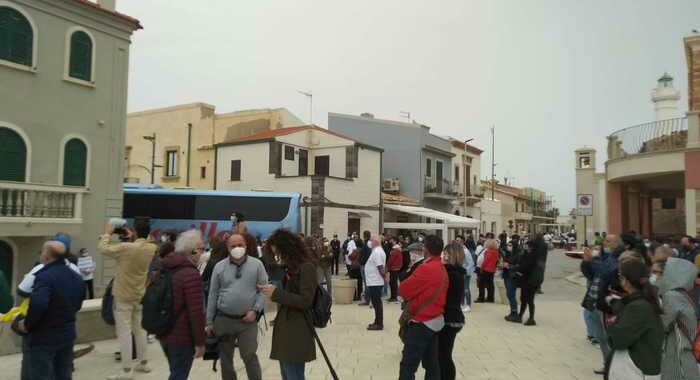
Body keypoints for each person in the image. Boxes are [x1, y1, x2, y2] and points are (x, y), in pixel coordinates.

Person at [16, 240, 84, 380]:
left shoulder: (44, 276)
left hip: (44, 337)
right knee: (63, 373)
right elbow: (78, 302)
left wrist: (27, 325)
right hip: (67, 334)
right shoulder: (76, 276)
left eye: (42, 252)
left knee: (41, 374)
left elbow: (39, 304)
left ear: (46, 257)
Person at [99, 219, 157, 380]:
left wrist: (107, 233)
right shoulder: (151, 248)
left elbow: (103, 248)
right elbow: (145, 241)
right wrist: (134, 236)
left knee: (124, 332)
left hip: (123, 296)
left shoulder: (126, 248)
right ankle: (143, 363)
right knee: (140, 329)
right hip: (139, 295)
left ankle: (126, 370)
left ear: (135, 232)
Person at [206, 233, 268, 380]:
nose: (237, 248)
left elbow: (263, 290)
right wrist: (209, 321)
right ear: (228, 248)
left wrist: (256, 310)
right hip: (224, 320)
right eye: (233, 246)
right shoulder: (219, 267)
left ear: (246, 246)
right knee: (226, 359)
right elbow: (212, 294)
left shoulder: (257, 265)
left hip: (247, 322)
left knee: (249, 356)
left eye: (240, 245)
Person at [258, 229, 317, 380]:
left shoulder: (306, 267)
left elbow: (306, 300)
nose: (278, 257)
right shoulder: (290, 267)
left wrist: (276, 294)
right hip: (286, 326)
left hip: (298, 327)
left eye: (278, 253)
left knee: (293, 374)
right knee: (286, 372)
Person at [398, 235, 448, 380]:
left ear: (426, 249)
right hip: (436, 319)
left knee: (408, 365)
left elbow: (403, 290)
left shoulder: (426, 268)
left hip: (422, 321)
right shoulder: (441, 268)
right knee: (431, 364)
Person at [158, 229, 206, 380]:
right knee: (179, 375)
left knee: (175, 371)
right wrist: (200, 342)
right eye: (201, 249)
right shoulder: (191, 274)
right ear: (191, 251)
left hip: (164, 333)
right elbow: (196, 312)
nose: (202, 253)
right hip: (182, 337)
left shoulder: (165, 267)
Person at [606, 259, 664, 379]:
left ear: (626, 281)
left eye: (620, 277)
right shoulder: (646, 299)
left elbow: (618, 340)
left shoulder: (639, 306)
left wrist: (611, 323)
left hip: (636, 370)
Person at [581, 233, 624, 375]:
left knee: (608, 337)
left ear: (617, 244)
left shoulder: (619, 258)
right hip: (594, 300)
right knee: (600, 337)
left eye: (609, 241)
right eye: (605, 241)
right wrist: (586, 262)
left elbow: (607, 271)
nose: (605, 243)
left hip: (606, 304)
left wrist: (592, 260)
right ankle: (607, 365)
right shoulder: (602, 257)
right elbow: (590, 274)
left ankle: (614, 368)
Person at [654, 257, 700, 380]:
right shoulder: (682, 294)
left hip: (678, 356)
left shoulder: (672, 296)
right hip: (683, 354)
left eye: (657, 273)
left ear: (669, 274)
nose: (653, 277)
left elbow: (662, 324)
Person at [438, 242, 466, 380]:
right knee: (444, 355)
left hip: (449, 319)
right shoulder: (457, 273)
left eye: (445, 253)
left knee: (443, 356)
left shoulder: (451, 274)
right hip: (453, 318)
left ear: (451, 255)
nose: (442, 256)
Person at [515, 234, 546, 326]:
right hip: (532, 279)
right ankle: (521, 315)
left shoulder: (532, 255)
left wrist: (517, 268)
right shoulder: (538, 254)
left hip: (529, 280)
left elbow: (525, 266)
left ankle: (530, 318)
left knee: (528, 299)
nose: (526, 246)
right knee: (525, 298)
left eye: (527, 245)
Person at [365, 234, 387, 330]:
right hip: (374, 281)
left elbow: (380, 267)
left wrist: (385, 277)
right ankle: (377, 321)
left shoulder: (377, 252)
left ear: (375, 241)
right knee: (376, 302)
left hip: (375, 281)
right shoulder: (376, 251)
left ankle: (379, 323)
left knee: (377, 303)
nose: (369, 242)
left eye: (371, 240)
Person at [502, 236, 521, 320]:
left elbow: (519, 266)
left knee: (511, 294)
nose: (508, 247)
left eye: (510, 245)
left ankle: (514, 312)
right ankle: (512, 312)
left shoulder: (518, 255)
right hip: (507, 275)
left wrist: (508, 265)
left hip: (512, 276)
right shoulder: (508, 254)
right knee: (509, 294)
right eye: (508, 245)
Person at [358, 230, 372, 306]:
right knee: (366, 283)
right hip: (365, 264)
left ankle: (367, 300)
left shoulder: (367, 243)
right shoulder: (368, 243)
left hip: (365, 265)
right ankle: (367, 299)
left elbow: (366, 255)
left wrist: (362, 262)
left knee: (366, 283)